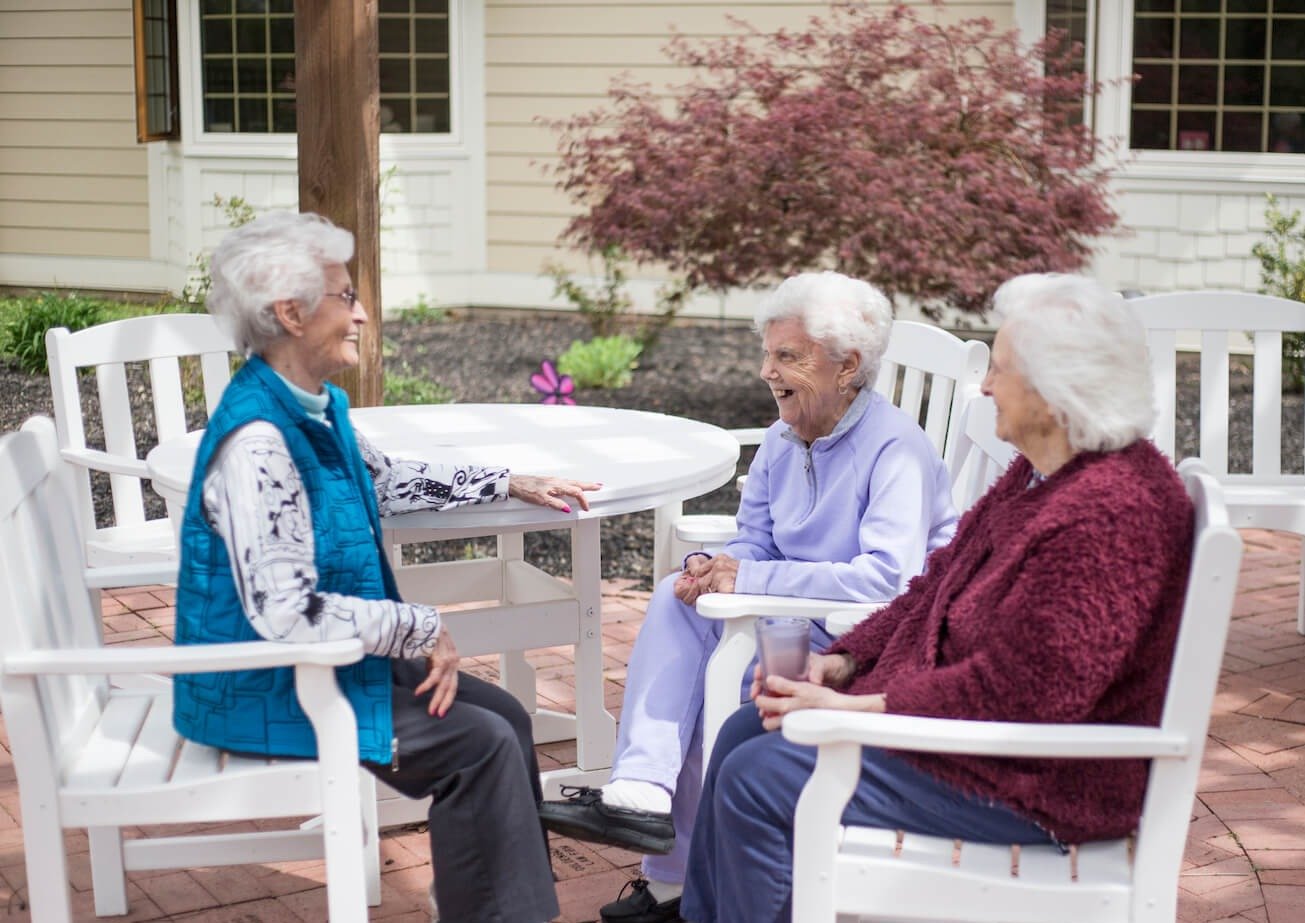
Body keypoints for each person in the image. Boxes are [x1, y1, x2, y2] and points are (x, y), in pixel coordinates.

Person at [679, 273, 1193, 923]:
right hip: (976, 740)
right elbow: (934, 583)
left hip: (1038, 781)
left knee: (761, 779)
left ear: (1054, 392)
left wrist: (860, 707)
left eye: (999, 369)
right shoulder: (1048, 470)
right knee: (743, 730)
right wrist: (838, 663)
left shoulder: (1111, 512)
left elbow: (1027, 695)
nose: (982, 385)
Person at [171, 211, 597, 923]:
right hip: (266, 686)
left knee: (505, 717)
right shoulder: (257, 440)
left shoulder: (315, 406)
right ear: (291, 312)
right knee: (480, 744)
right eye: (346, 297)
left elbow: (387, 478)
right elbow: (284, 614)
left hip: (327, 663)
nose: (363, 313)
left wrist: (505, 481)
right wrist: (417, 624)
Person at [539, 271, 958, 923]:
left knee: (717, 676)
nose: (767, 370)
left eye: (787, 356)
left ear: (847, 365)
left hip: (860, 643)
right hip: (793, 619)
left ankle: (676, 881)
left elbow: (886, 584)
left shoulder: (895, 450)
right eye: (766, 353)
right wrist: (721, 565)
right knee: (675, 599)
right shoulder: (779, 439)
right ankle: (641, 795)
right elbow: (758, 539)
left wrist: (751, 579)